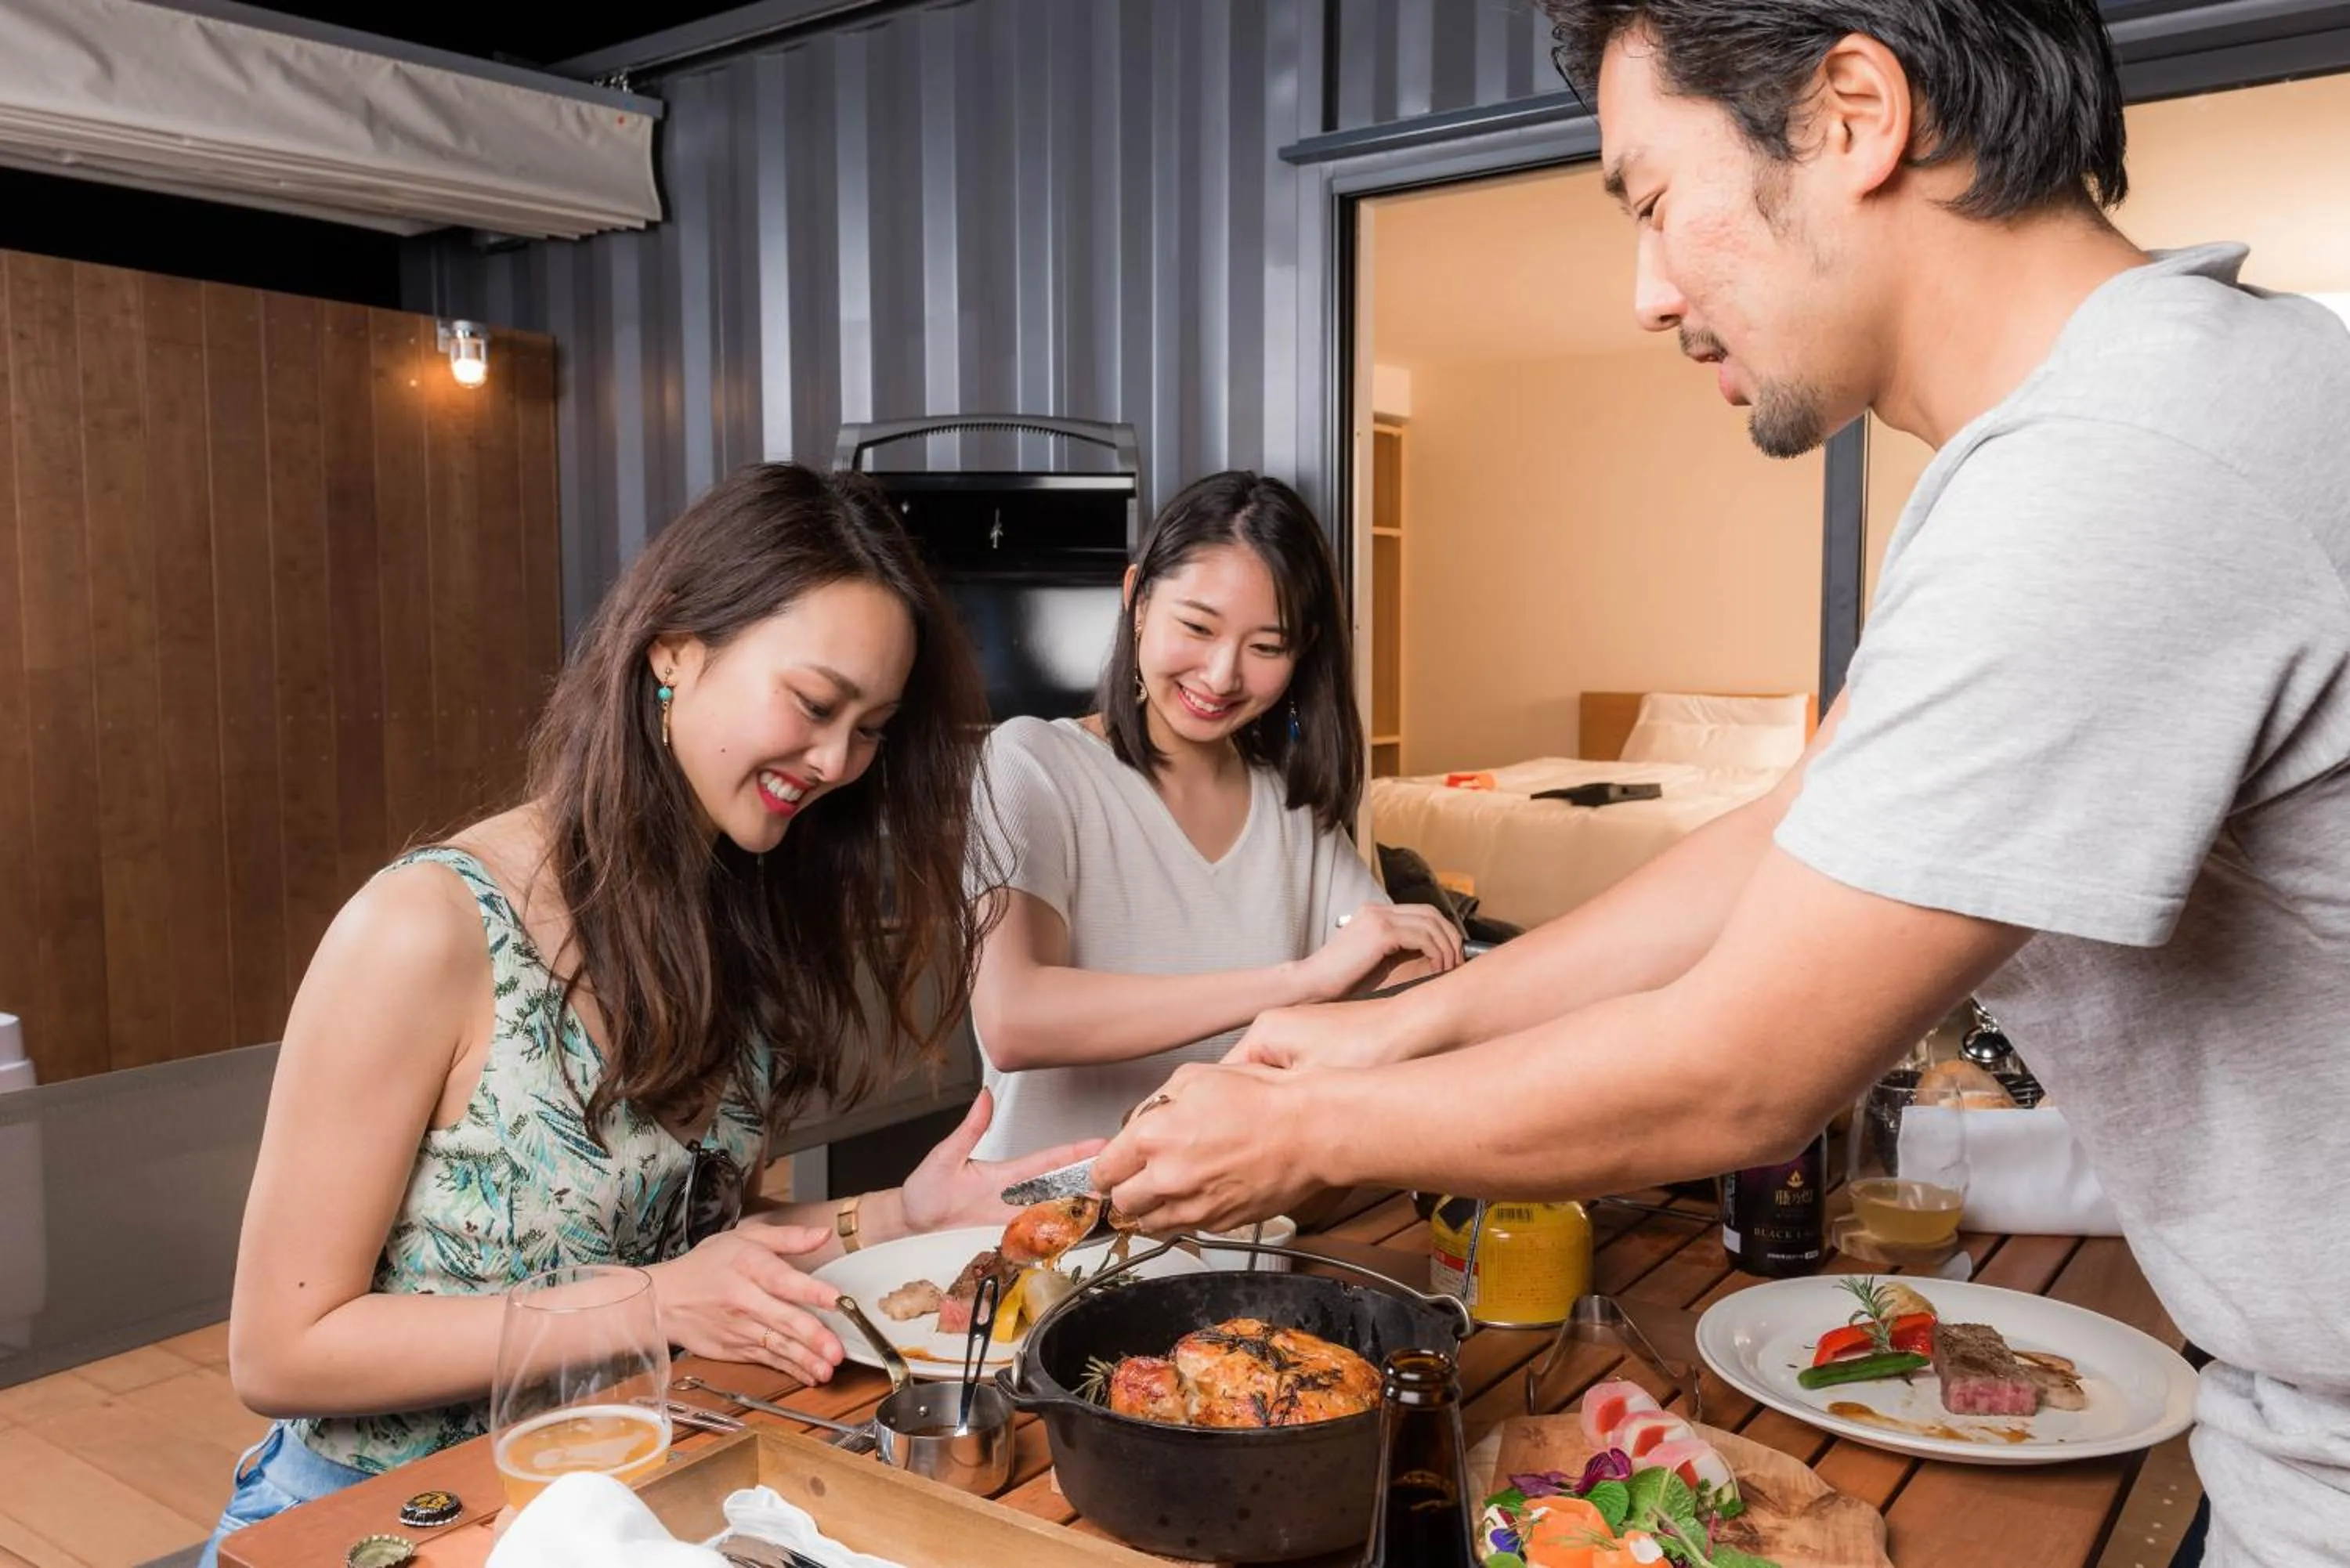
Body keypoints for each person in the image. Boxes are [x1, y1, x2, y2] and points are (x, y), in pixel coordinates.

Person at [1090, 6, 2350, 1565]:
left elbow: (1741, 1070)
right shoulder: (2134, 413)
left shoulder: (2119, 466)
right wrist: (1412, 1016)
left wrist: (1310, 1128)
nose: (1647, 292)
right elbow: (1784, 837)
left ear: (1852, 111)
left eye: (1649, 198)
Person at [201, 464, 1094, 1564]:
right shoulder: (426, 927)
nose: (837, 763)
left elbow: (687, 1255)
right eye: (814, 705)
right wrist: (654, 1303)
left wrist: (905, 1213)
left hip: (609, 1501)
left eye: (870, 728)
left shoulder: (726, 912)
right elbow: (281, 1349)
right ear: (673, 646)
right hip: (386, 1518)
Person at [964, 471, 1462, 1158]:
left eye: (1266, 647)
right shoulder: (1032, 762)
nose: (1222, 675)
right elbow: (1015, 1020)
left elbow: (1392, 977)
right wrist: (1300, 982)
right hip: (1049, 1243)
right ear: (1137, 599)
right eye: (1196, 627)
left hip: (1240, 1236)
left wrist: (1423, 985)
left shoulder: (1292, 808)